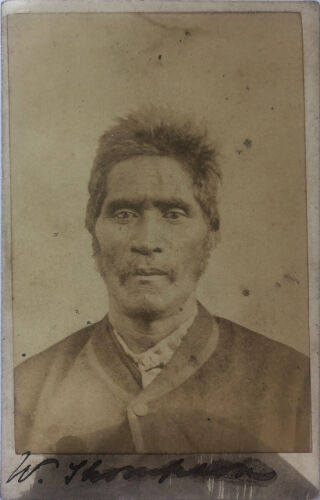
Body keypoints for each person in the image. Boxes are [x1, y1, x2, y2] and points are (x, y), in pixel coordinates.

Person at [15, 108, 310, 454]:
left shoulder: (294, 385)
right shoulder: (25, 390)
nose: (146, 241)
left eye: (173, 214)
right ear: (93, 230)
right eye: (124, 214)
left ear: (211, 235)